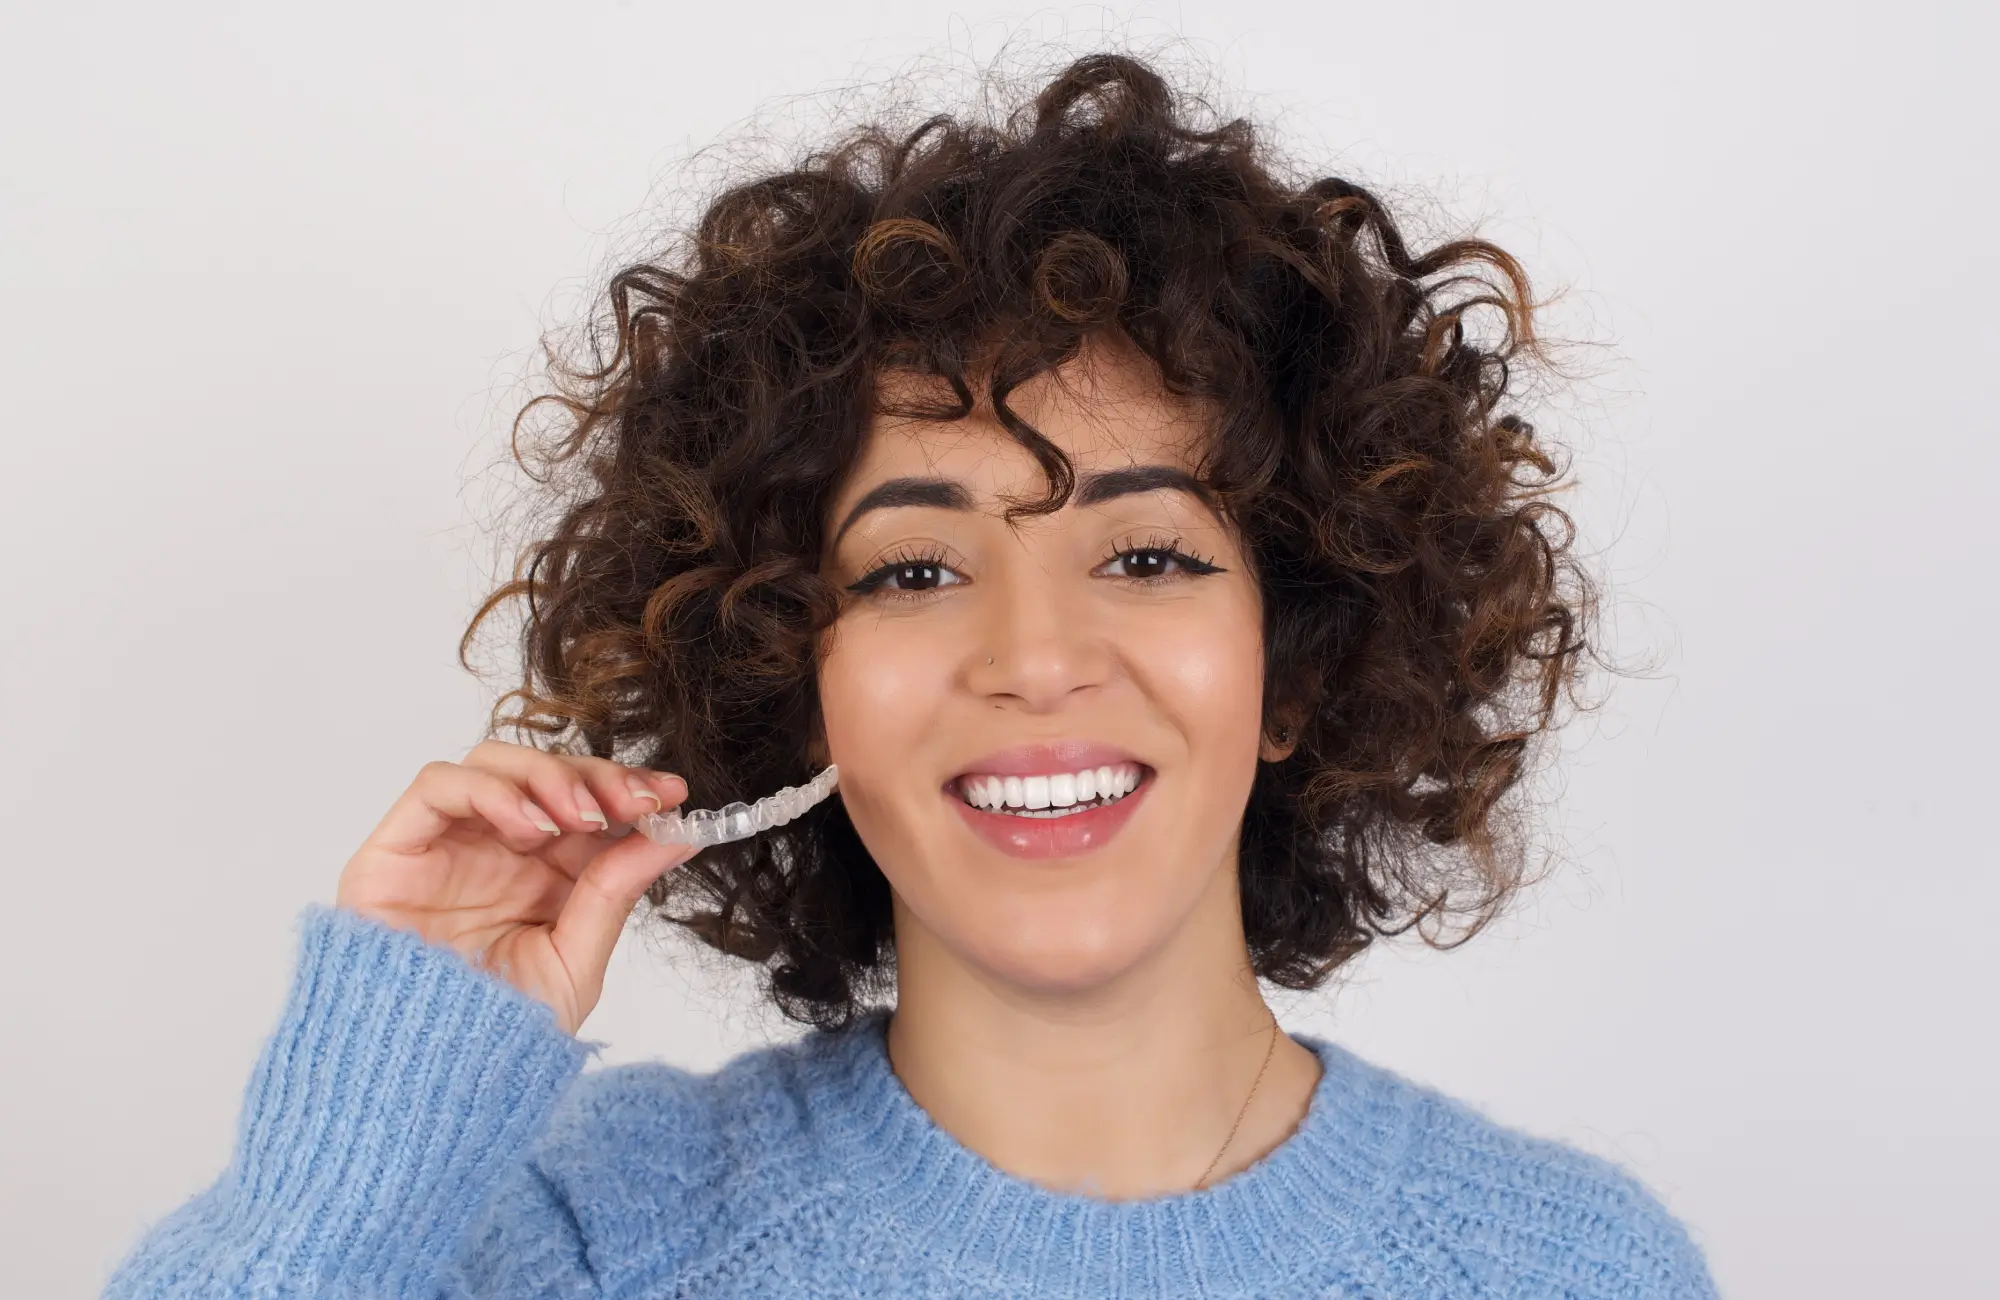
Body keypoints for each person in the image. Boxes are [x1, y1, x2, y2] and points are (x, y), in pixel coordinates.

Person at [105, 51, 1720, 1299]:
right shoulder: (583, 1239)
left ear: (1295, 668)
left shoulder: (1567, 1269)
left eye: (1147, 555)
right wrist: (380, 1123)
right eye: (915, 571)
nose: (1034, 658)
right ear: (794, 686)